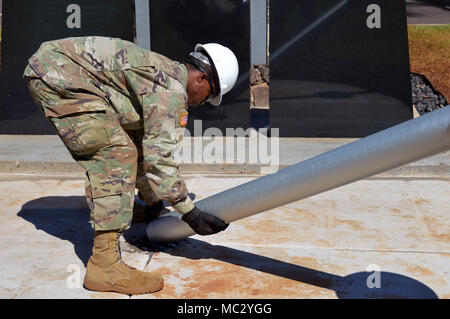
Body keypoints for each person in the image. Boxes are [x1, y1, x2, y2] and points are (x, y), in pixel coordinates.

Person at [23, 36, 239, 295]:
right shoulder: (170, 92)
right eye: (208, 97)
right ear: (201, 79)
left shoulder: (163, 76)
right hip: (58, 72)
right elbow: (160, 161)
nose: (202, 103)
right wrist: (189, 213)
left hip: (59, 67)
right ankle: (104, 265)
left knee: (128, 141)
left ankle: (138, 209)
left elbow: (143, 146)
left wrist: (152, 203)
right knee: (115, 153)